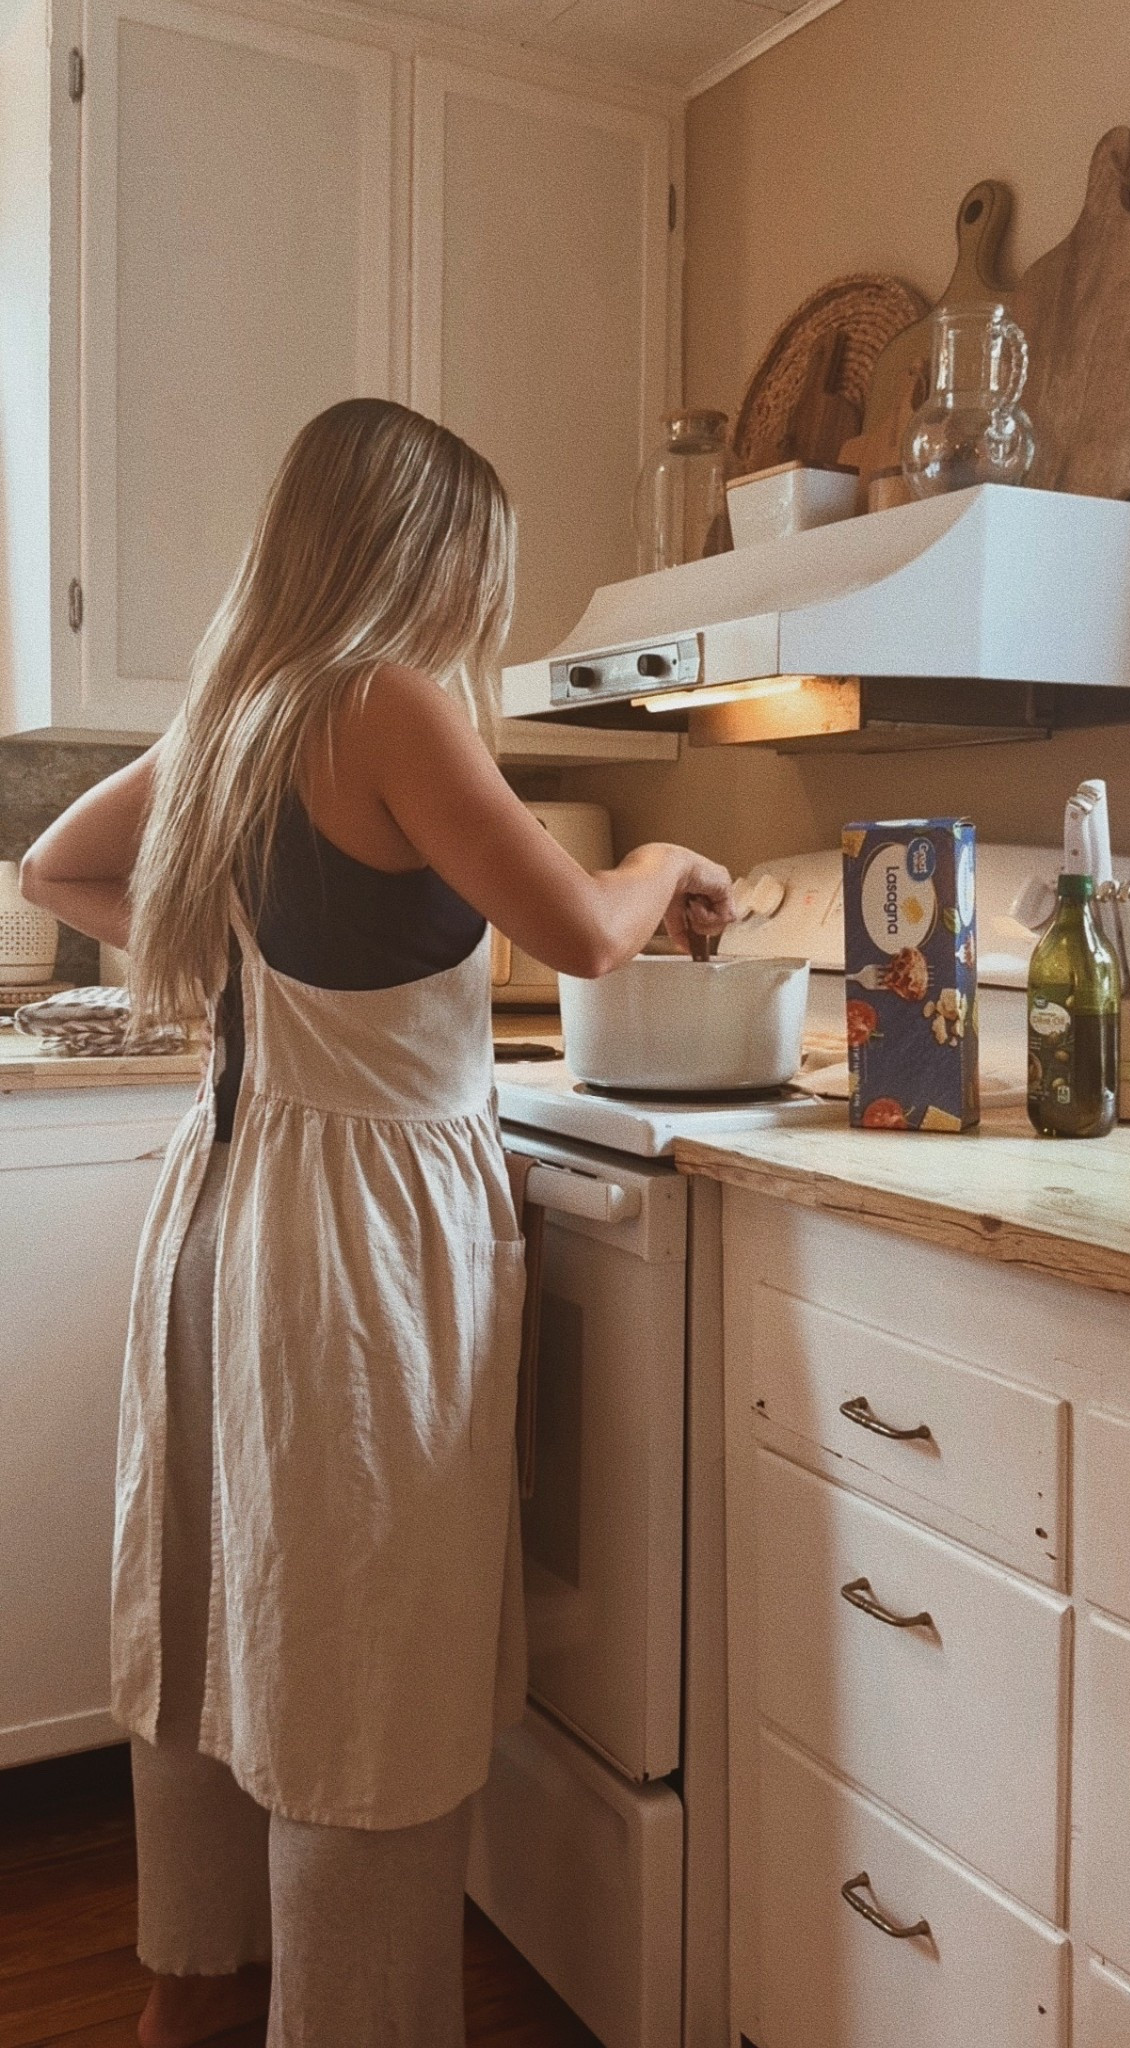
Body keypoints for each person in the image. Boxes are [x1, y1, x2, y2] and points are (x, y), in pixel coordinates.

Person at [20, 398, 734, 2048]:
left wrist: (205, 948)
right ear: (423, 552)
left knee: (224, 1593)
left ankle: (194, 1978)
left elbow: (57, 869)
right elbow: (579, 931)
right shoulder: (386, 699)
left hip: (225, 1212)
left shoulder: (240, 712)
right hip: (356, 1244)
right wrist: (677, 853)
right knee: (361, 1653)